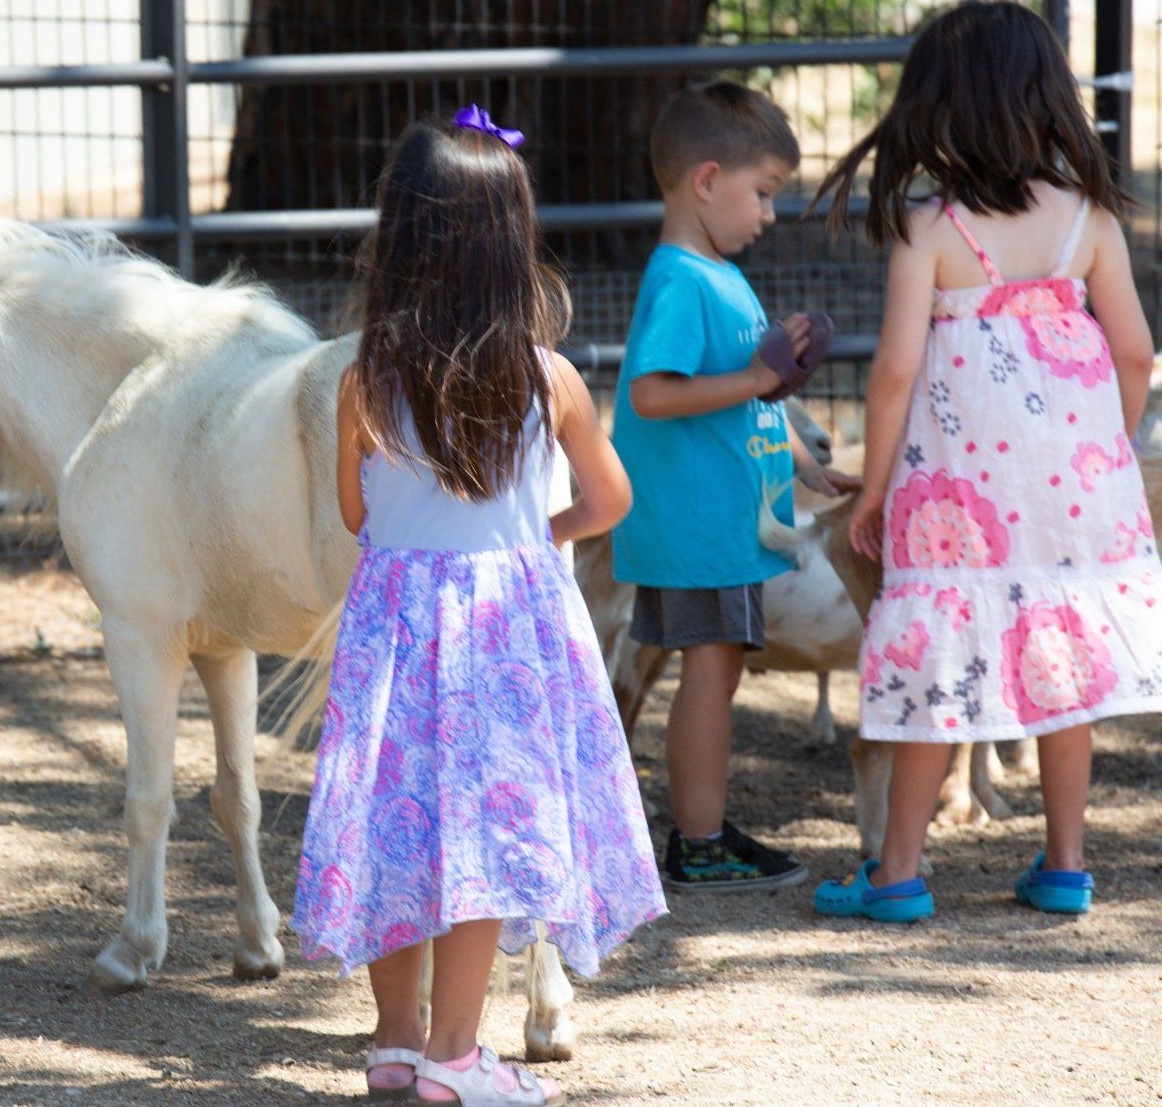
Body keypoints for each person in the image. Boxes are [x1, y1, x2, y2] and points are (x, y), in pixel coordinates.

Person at [293, 111, 665, 1107]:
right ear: (513, 242)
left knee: (401, 827)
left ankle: (395, 1040)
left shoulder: (365, 380)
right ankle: (456, 1055)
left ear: (401, 238)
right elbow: (611, 499)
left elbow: (355, 509)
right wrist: (536, 536)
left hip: (396, 629)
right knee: (478, 842)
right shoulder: (550, 382)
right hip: (503, 637)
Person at [809, 0, 1161, 922]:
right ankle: (1066, 865)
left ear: (942, 107)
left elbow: (892, 372)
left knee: (940, 659)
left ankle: (896, 875)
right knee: (1066, 659)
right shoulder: (1088, 218)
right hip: (1074, 491)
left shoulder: (931, 226)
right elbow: (1132, 352)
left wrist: (875, 486)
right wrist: (1108, 456)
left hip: (958, 494)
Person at [612, 81, 858, 893]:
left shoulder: (717, 274)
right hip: (698, 525)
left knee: (714, 673)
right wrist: (757, 374)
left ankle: (703, 830)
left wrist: (811, 469)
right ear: (706, 181)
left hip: (725, 523)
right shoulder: (683, 280)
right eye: (763, 193)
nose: (768, 214)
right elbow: (653, 392)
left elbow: (752, 397)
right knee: (709, 677)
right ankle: (699, 841)